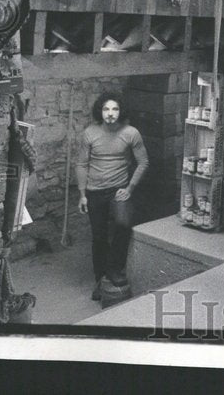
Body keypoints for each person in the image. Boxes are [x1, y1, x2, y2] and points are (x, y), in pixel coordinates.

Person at [75, 91, 148, 300]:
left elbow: (143, 162)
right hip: (94, 191)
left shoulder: (131, 133)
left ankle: (114, 270)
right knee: (98, 236)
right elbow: (81, 164)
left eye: (114, 109)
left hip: (119, 190)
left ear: (120, 111)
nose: (110, 113)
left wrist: (130, 188)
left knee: (123, 225)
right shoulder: (89, 133)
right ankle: (101, 279)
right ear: (100, 111)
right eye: (106, 109)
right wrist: (82, 195)